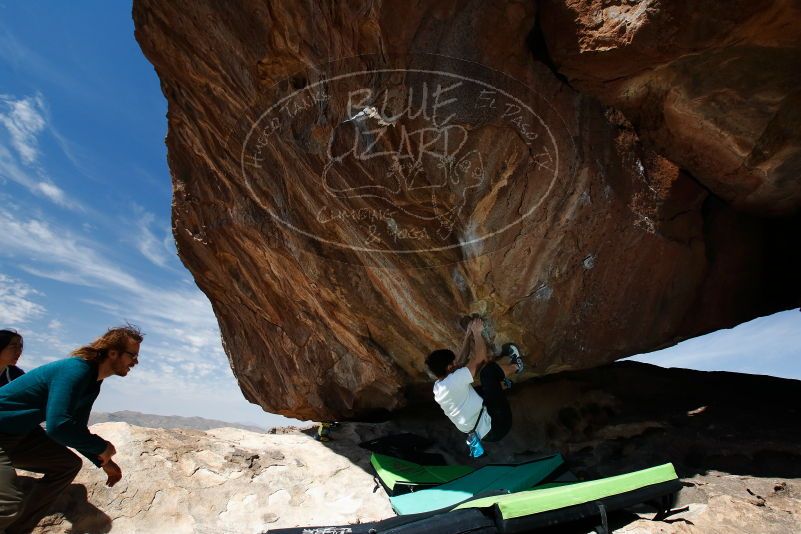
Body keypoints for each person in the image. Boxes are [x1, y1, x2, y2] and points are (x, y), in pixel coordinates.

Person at [0, 324, 143, 534]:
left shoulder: (93, 381)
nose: (135, 362)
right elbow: (58, 426)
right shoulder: (76, 370)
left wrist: (103, 460)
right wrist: (101, 447)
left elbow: (75, 427)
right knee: (7, 505)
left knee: (67, 465)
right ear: (113, 353)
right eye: (132, 355)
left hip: (20, 434)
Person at [425, 317, 524, 452]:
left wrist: (467, 336)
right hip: (498, 424)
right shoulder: (453, 382)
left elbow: (460, 361)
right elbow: (480, 359)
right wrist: (477, 332)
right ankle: (517, 365)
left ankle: (503, 385)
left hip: (483, 433)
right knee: (487, 373)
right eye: (453, 364)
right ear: (449, 368)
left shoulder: (439, 386)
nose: (457, 364)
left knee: (475, 392)